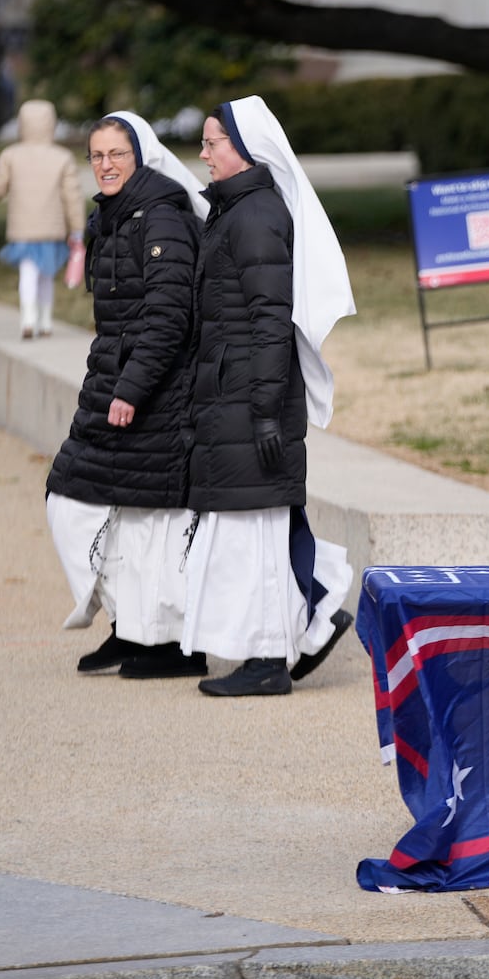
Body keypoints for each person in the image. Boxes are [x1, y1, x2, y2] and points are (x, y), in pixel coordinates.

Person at [181, 95, 356, 697]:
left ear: (246, 149)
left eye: (212, 142)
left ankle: (267, 662)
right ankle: (317, 608)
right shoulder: (236, 210)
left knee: (255, 534)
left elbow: (268, 320)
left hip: (250, 403)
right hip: (236, 399)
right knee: (262, 527)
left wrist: (262, 413)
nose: (202, 153)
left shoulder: (254, 216)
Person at [44, 111, 208, 678]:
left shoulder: (160, 219)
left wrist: (132, 389)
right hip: (113, 382)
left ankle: (168, 645)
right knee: (78, 501)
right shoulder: (113, 217)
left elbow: (167, 320)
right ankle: (131, 626)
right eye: (97, 156)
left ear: (140, 156)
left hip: (154, 393)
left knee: (148, 521)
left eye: (117, 154)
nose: (106, 165)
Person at [0, 99, 83, 339]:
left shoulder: (11, 155)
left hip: (23, 229)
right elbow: (72, 196)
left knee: (28, 274)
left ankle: (27, 319)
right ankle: (46, 321)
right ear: (51, 124)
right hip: (51, 229)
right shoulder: (62, 157)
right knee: (46, 276)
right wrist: (78, 228)